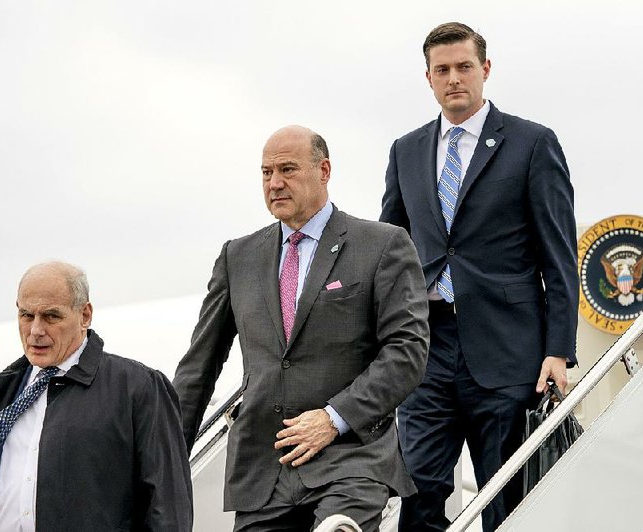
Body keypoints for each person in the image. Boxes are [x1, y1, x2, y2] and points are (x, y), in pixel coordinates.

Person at [173, 125, 430, 531]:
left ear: (323, 170)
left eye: (288, 170)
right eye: (266, 173)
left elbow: (407, 351)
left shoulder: (382, 245)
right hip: (263, 472)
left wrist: (333, 418)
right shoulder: (236, 257)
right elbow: (197, 371)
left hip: (350, 460)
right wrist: (161, 463)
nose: (274, 183)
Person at [380, 22, 578, 531]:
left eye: (464, 67)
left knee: (506, 500)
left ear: (485, 70)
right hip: (425, 351)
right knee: (418, 491)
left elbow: (558, 255)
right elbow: (391, 252)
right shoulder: (405, 151)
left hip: (508, 353)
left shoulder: (533, 143)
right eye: (442, 70)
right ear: (427, 78)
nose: (454, 78)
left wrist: (559, 347)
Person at [0, 262, 193, 531]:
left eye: (51, 316)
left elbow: (168, 511)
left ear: (85, 315)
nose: (36, 330)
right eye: (26, 315)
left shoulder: (138, 387)